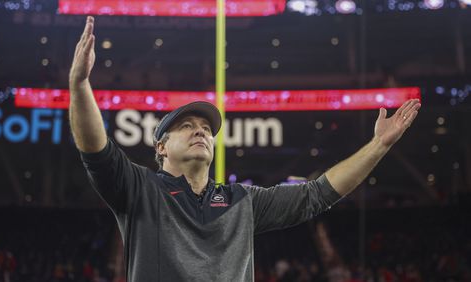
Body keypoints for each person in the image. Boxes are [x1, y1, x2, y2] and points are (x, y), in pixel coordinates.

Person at [69, 16, 421, 281]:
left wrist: (378, 145)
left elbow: (318, 194)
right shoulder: (138, 189)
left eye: (206, 128)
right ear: (161, 147)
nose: (200, 132)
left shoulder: (242, 201)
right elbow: (95, 150)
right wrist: (80, 84)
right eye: (188, 127)